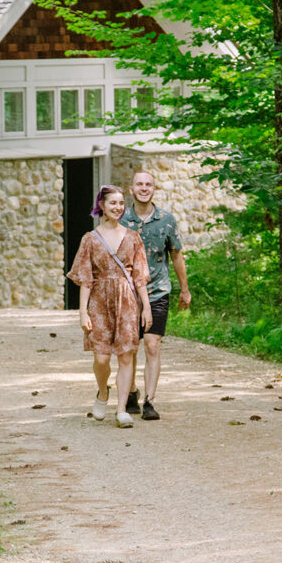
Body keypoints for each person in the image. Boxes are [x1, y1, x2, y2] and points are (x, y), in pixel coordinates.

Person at [67, 185, 153, 428]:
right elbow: (85, 278)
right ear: (101, 206)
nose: (117, 207)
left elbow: (140, 277)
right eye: (112, 203)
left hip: (127, 301)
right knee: (102, 358)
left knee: (127, 356)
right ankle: (103, 392)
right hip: (99, 301)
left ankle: (122, 409)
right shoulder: (90, 239)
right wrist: (83, 312)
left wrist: (146, 307)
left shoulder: (133, 237)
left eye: (120, 203)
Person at [120, 171, 191, 421]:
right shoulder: (120, 218)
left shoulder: (166, 220)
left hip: (158, 291)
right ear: (131, 189)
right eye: (139, 184)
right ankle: (130, 392)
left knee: (152, 344)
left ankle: (150, 401)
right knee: (129, 349)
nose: (144, 188)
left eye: (148, 184)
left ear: (154, 189)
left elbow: (176, 255)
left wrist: (184, 289)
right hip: (127, 293)